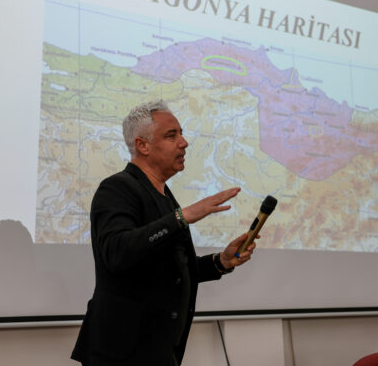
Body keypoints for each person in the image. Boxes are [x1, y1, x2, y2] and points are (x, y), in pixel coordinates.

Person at [71, 100, 256, 365]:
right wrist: (182, 217)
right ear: (143, 145)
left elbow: (170, 273)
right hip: (121, 354)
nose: (184, 143)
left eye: (181, 134)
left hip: (159, 352)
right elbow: (117, 252)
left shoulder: (165, 196)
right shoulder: (116, 188)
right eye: (172, 135)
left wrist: (221, 262)